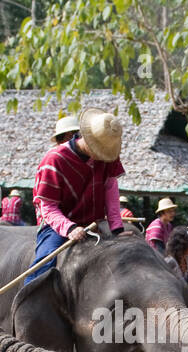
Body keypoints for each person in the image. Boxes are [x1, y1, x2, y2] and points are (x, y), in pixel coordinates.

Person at [26, 107, 126, 284]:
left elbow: (110, 189)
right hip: (56, 223)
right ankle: (28, 304)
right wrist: (70, 228)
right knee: (45, 262)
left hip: (94, 221)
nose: (102, 156)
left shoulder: (108, 155)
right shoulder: (54, 159)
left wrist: (117, 229)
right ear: (86, 138)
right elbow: (47, 207)